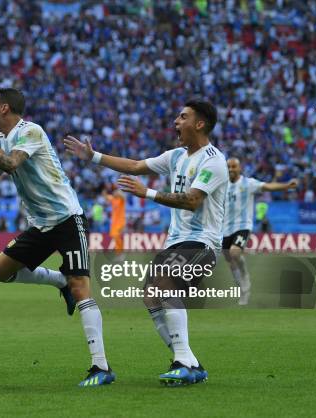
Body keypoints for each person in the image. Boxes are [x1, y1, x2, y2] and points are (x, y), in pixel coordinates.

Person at [0, 88, 115, 387]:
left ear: (5, 108)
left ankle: (100, 367)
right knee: (0, 271)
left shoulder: (31, 131)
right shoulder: (1, 140)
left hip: (67, 218)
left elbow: (11, 163)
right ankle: (58, 281)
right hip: (40, 225)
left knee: (82, 288)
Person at [64, 99, 228, 386]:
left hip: (203, 243)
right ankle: (190, 363)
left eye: (183, 117)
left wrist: (148, 193)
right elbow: (137, 165)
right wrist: (94, 157)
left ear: (199, 123)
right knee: (151, 294)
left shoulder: (213, 160)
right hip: (175, 241)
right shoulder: (177, 155)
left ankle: (182, 362)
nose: (176, 122)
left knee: (164, 282)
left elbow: (192, 201)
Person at [222, 158, 298, 305]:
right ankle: (241, 284)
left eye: (234, 167)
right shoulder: (222, 184)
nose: (231, 169)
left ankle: (245, 280)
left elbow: (268, 186)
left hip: (242, 225)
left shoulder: (248, 183)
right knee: (229, 259)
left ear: (240, 168)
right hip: (225, 227)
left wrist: (286, 186)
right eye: (228, 167)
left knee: (234, 252)